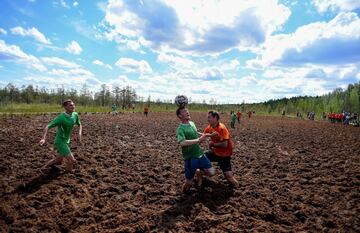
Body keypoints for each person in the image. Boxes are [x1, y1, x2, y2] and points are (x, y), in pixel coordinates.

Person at [176, 107, 215, 193]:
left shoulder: (192, 123)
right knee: (189, 182)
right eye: (184, 111)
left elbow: (196, 133)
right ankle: (184, 193)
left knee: (211, 172)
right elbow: (182, 142)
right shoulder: (180, 129)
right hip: (190, 158)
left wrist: (207, 135)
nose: (187, 112)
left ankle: (199, 172)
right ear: (180, 115)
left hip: (199, 153)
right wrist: (198, 140)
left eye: (187, 110)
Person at [40, 100, 82, 172]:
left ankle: (44, 167)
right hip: (60, 141)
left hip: (66, 140)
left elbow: (80, 124)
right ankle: (68, 173)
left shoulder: (75, 115)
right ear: (65, 107)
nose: (73, 106)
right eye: (70, 105)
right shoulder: (61, 117)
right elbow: (47, 126)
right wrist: (43, 139)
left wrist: (79, 134)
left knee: (59, 160)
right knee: (71, 160)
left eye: (73, 105)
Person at [203, 110, 239, 187]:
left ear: (215, 118)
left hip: (224, 154)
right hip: (215, 152)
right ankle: (201, 179)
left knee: (229, 177)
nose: (208, 119)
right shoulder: (209, 127)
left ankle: (236, 185)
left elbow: (224, 144)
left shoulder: (222, 128)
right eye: (208, 117)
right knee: (201, 157)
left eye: (209, 117)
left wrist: (213, 144)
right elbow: (203, 135)